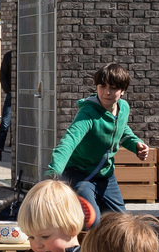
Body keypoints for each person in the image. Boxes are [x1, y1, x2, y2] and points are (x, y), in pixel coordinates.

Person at [49, 63, 148, 214]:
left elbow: (121, 129)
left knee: (121, 224)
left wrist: (135, 144)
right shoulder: (88, 114)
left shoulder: (123, 108)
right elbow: (68, 142)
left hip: (105, 175)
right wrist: (52, 175)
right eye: (102, 86)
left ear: (123, 91)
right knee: (91, 219)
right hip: (79, 174)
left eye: (113, 87)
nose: (107, 92)